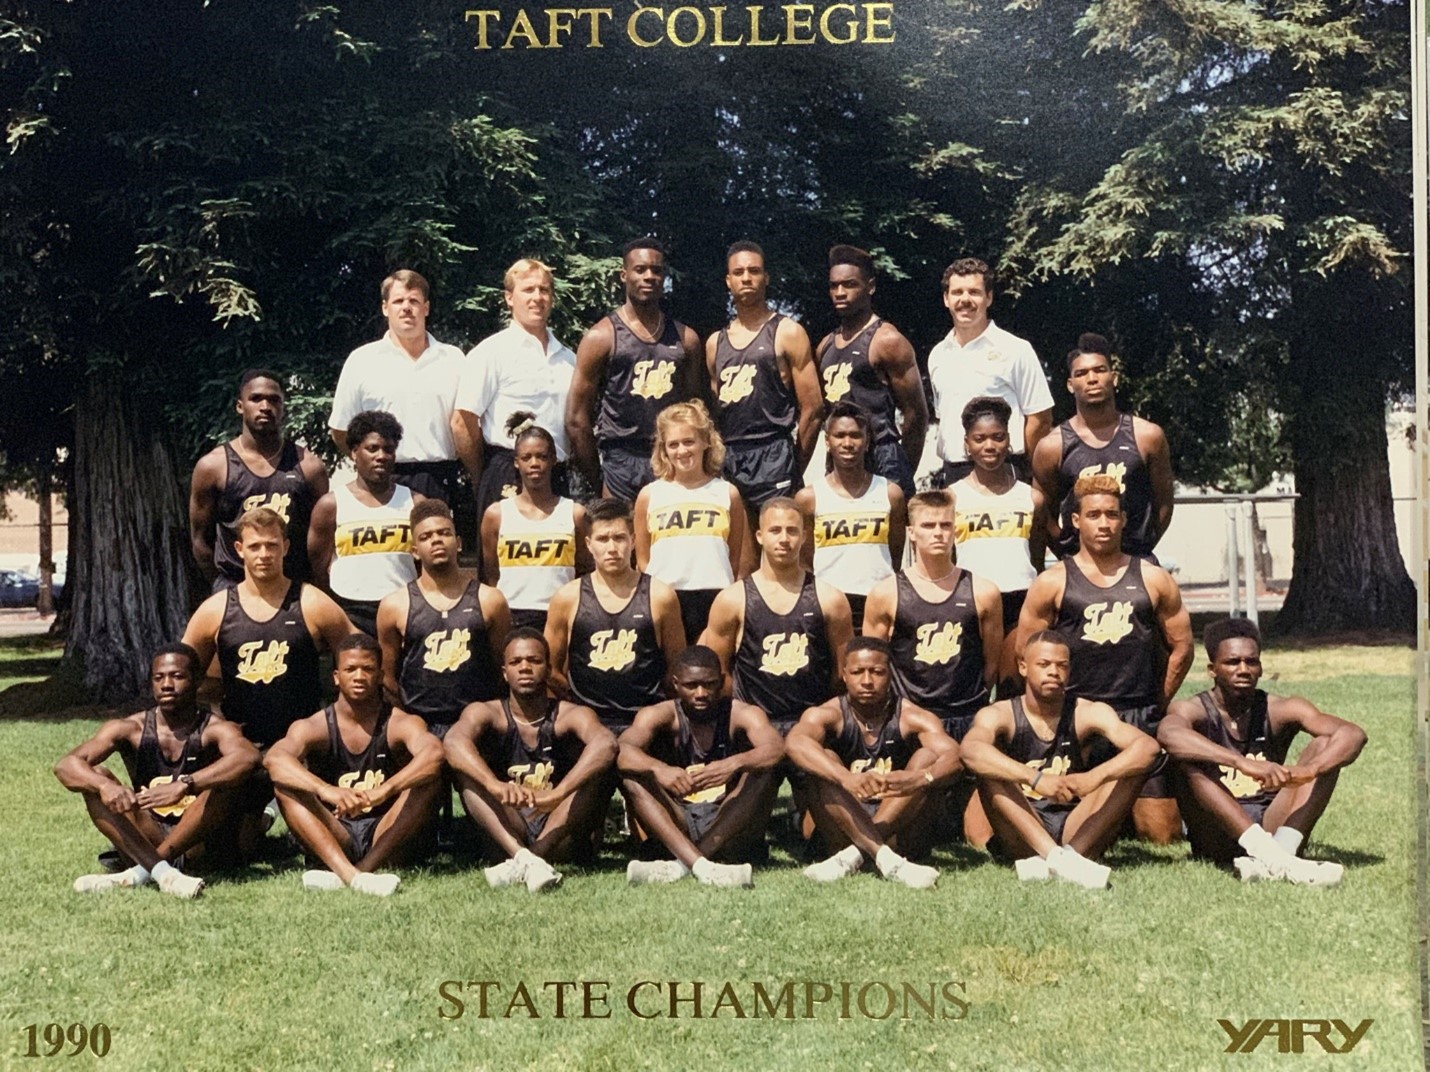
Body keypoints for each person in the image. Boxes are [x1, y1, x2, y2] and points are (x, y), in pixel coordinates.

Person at [1017, 474, 1193, 842]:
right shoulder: (1052, 581)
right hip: (1075, 719)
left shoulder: (1153, 577)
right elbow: (1026, 652)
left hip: (1137, 713)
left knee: (1162, 834)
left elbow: (1182, 647)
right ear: (1076, 521)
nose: (1104, 523)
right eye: (1094, 515)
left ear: (1124, 519)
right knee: (1065, 822)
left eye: (1112, 514)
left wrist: (1157, 700)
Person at [1157, 618, 1361, 885]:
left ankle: (1279, 856)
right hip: (1216, 831)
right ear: (1212, 669)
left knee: (1324, 746)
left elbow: (1352, 734)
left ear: (1261, 667)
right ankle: (1275, 859)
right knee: (1185, 761)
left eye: (1251, 662)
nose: (1243, 669)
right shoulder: (1192, 709)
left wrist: (1309, 770)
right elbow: (1168, 734)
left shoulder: (1280, 709)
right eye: (1232, 662)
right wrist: (1241, 763)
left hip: (1272, 824)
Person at [55, 644, 261, 898]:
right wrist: (104, 786)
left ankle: (143, 872)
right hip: (148, 834)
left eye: (177, 676)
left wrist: (186, 784)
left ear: (197, 681)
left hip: (202, 842)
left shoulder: (215, 728)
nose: (166, 685)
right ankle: (164, 873)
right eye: (158, 677)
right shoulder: (129, 727)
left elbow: (248, 757)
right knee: (95, 776)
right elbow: (66, 765)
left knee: (227, 781)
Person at [960, 631, 1159, 889]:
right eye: (1043, 664)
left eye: (1061, 665)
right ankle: (1060, 861)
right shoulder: (1000, 713)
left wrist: (1094, 778)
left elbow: (1148, 747)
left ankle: (1068, 858)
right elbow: (970, 750)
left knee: (1133, 766)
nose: (1053, 672)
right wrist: (1035, 779)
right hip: (1023, 823)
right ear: (1023, 667)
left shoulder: (1087, 711)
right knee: (989, 770)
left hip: (1075, 824)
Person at [265, 634, 444, 895]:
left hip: (386, 830)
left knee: (430, 780)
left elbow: (434, 754)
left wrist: (386, 789)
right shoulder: (314, 726)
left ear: (381, 675)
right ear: (336, 677)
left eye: (368, 669)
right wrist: (326, 790)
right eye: (350, 669)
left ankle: (358, 872)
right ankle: (353, 875)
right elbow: (275, 759)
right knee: (285, 785)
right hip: (336, 832)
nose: (359, 676)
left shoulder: (399, 722)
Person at [443, 629, 618, 891]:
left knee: (600, 771)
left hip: (559, 829)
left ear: (549, 670)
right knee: (466, 773)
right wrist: (494, 785)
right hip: (509, 827)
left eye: (534, 661)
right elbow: (453, 743)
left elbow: (607, 743)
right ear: (504, 673)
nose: (525, 668)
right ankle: (526, 858)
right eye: (516, 662)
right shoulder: (486, 711)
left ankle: (529, 858)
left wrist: (558, 793)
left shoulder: (570, 714)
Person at [784, 637, 961, 888]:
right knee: (825, 761)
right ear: (844, 675)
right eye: (857, 672)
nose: (867, 681)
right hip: (843, 824)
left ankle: (856, 855)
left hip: (899, 825)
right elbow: (795, 743)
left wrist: (920, 778)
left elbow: (954, 757)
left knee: (927, 758)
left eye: (877, 672)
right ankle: (884, 857)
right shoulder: (827, 714)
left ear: (891, 675)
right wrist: (846, 778)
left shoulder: (912, 716)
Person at [182, 506, 355, 753]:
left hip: (305, 745)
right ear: (239, 550)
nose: (264, 554)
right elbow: (180, 672)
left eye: (272, 545)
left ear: (285, 547)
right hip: (238, 749)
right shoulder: (214, 610)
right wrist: (213, 718)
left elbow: (362, 654)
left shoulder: (313, 602)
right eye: (254, 546)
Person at [618, 645, 783, 887]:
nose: (701, 693)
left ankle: (686, 864)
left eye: (710, 684)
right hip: (678, 820)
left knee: (766, 771)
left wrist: (734, 763)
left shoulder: (742, 713)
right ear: (675, 684)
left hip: (728, 819)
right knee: (631, 777)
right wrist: (658, 769)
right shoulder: (659, 715)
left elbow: (777, 748)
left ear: (723, 681)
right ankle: (703, 866)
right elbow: (620, 750)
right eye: (691, 685)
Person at [565, 238, 704, 502]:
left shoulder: (686, 339)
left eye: (656, 270)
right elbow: (576, 418)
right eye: (640, 270)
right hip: (621, 463)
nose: (649, 276)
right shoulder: (601, 337)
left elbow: (696, 412)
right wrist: (599, 479)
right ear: (624, 275)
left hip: (671, 459)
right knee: (621, 542)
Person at [699, 497, 853, 734]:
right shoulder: (731, 600)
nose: (784, 539)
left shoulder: (831, 599)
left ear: (804, 536)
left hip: (811, 729)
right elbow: (720, 674)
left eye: (792, 531)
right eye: (775, 530)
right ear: (760, 536)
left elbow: (840, 672)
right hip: (754, 730)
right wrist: (745, 719)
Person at [707, 241, 823, 553]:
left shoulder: (787, 332)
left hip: (774, 452)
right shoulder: (715, 343)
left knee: (783, 554)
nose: (746, 278)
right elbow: (716, 414)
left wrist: (794, 463)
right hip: (732, 458)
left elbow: (813, 408)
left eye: (754, 271)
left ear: (766, 278)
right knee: (741, 561)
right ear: (728, 281)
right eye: (738, 272)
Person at [863, 490, 1002, 743]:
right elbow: (874, 664)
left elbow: (991, 664)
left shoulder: (984, 591)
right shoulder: (885, 593)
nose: (938, 532)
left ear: (956, 530)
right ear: (911, 532)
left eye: (945, 525)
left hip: (967, 716)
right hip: (909, 720)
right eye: (928, 525)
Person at [329, 269, 468, 514]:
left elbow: (466, 423)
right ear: (385, 308)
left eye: (414, 301)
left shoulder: (453, 359)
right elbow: (341, 430)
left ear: (426, 308)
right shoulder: (362, 360)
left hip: (439, 479)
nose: (406, 308)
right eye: (398, 301)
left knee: (437, 552)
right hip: (382, 480)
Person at [454, 259, 578, 528]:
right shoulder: (491, 353)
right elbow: (462, 421)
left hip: (556, 475)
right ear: (509, 297)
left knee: (557, 564)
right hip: (506, 472)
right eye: (528, 290)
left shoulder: (568, 358)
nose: (537, 297)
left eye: (544, 290)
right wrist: (482, 474)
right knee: (505, 565)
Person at [545, 498, 686, 731]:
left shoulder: (661, 595)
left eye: (619, 538)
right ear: (588, 544)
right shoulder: (567, 597)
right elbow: (550, 667)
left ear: (633, 541)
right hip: (587, 725)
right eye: (602, 539)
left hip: (646, 721)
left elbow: (676, 666)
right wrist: (574, 700)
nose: (612, 548)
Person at [1031, 333, 1174, 559]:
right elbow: (1041, 511)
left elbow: (1164, 502)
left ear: (1114, 377)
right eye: (1081, 373)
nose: (1092, 378)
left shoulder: (1148, 436)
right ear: (1070, 384)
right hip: (1079, 570)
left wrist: (1142, 547)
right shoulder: (1052, 446)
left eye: (1099, 370)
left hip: (1137, 562)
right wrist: (1068, 553)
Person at [379, 499, 509, 738]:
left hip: (478, 726)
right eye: (426, 536)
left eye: (444, 533)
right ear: (414, 551)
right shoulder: (394, 605)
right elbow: (388, 678)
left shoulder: (491, 600)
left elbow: (501, 667)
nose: (436, 540)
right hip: (420, 726)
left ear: (458, 543)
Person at [189, 368, 328, 590]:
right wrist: (221, 586)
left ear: (283, 407)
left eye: (274, 400)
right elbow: (200, 540)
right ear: (240, 406)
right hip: (234, 587)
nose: (265, 406)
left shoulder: (309, 467)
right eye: (256, 399)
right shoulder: (213, 467)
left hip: (294, 589)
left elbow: (323, 538)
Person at [927, 257, 1053, 486]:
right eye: (957, 292)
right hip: (953, 473)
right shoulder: (938, 355)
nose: (965, 300)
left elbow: (1040, 420)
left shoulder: (1015, 350)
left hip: (1004, 471)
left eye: (974, 292)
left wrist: (1034, 475)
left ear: (989, 297)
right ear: (946, 299)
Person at [816, 244, 928, 498]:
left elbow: (916, 415)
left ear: (870, 286)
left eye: (850, 285)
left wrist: (901, 468)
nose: (840, 292)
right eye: (834, 286)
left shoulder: (887, 341)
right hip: (839, 459)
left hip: (882, 457)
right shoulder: (825, 346)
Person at [634, 400, 746, 644]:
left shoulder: (728, 493)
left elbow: (733, 558)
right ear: (663, 449)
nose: (682, 451)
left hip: (715, 597)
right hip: (666, 599)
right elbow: (643, 560)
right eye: (673, 445)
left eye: (689, 442)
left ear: (706, 441)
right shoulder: (650, 495)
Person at [949, 396, 1042, 681]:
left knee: (1011, 687)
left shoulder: (1031, 497)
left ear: (1008, 440)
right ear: (967, 444)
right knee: (969, 688)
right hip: (970, 604)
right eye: (980, 439)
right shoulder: (952, 497)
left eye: (997, 437)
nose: (989, 446)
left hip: (1019, 601)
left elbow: (1035, 555)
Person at [309, 410, 423, 636]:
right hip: (350, 609)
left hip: (403, 607)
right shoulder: (330, 505)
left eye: (388, 449)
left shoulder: (415, 502)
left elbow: (424, 564)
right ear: (354, 452)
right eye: (372, 449)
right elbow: (318, 567)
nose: (381, 456)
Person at [795, 401, 903, 632]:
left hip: (879, 601)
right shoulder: (808, 498)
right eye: (839, 435)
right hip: (830, 604)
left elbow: (894, 555)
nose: (847, 443)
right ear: (827, 441)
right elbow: (805, 561)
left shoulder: (890, 494)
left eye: (855, 436)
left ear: (867, 442)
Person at [479, 413, 589, 634]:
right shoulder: (496, 515)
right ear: (516, 462)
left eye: (542, 456)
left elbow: (584, 570)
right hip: (511, 616)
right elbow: (492, 574)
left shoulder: (575, 513)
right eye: (526, 457)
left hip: (561, 613)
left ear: (554, 459)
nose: (534, 464)